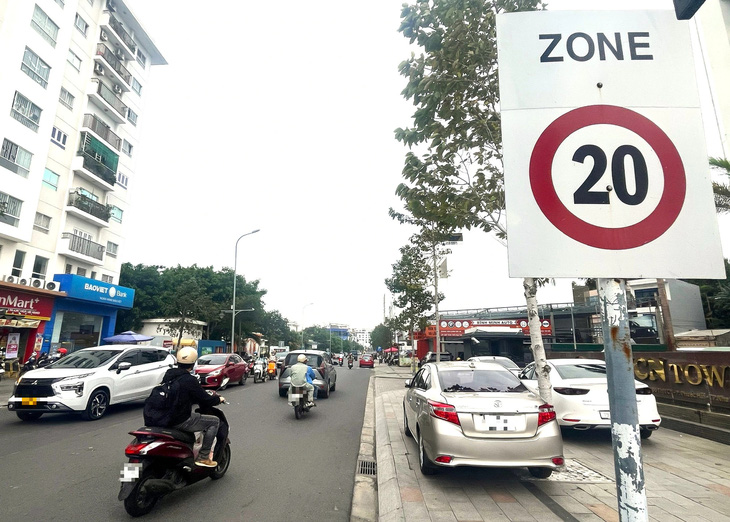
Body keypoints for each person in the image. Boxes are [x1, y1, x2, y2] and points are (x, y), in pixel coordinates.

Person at [164, 347, 225, 468]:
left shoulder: (168, 375)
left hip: (159, 418)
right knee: (214, 422)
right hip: (179, 420)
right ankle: (203, 457)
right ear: (193, 364)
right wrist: (218, 399)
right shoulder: (189, 380)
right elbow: (204, 399)